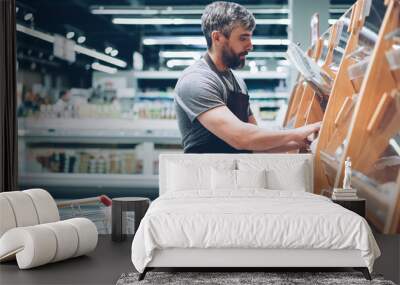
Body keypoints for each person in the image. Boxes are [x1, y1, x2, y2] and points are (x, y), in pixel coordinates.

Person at [174, 1, 321, 153]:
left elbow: (257, 143)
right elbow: (241, 138)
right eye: (243, 38)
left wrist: (304, 143)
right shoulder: (196, 80)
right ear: (217, 38)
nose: (250, 45)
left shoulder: (238, 83)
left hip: (233, 173)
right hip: (205, 174)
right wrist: (299, 132)